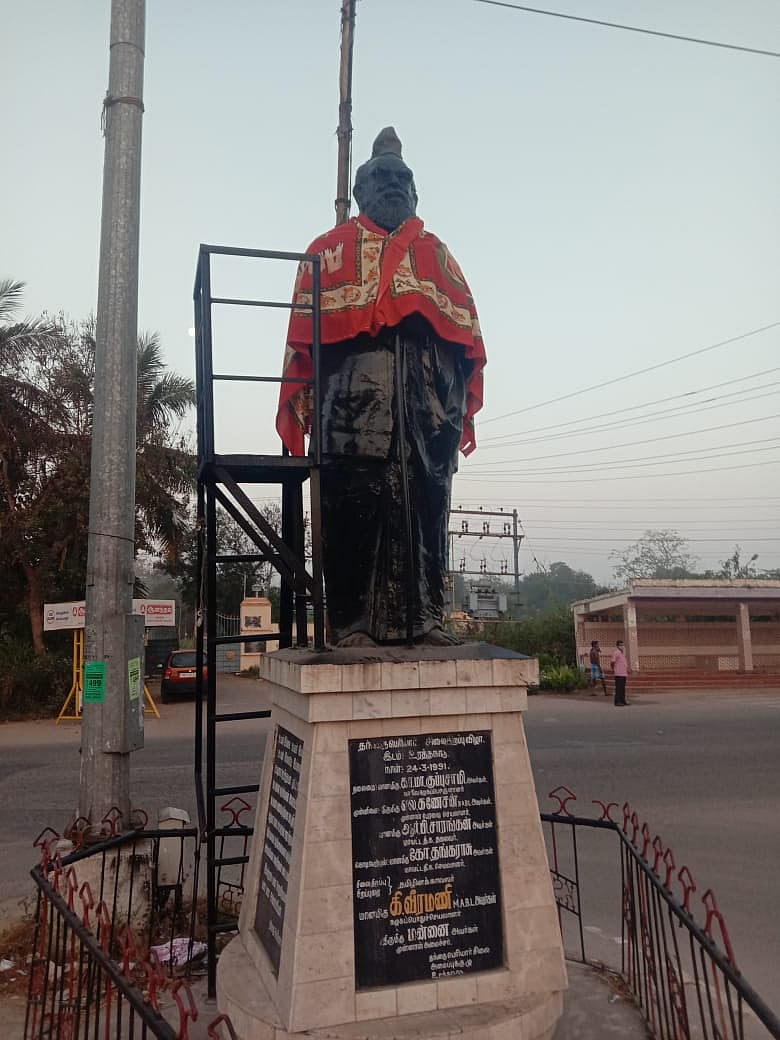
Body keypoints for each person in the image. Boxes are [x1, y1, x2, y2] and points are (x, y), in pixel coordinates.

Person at [276, 127, 486, 647]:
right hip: (351, 405)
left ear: (415, 194)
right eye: (383, 178)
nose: (394, 186)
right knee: (353, 504)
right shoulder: (327, 251)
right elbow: (306, 337)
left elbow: (465, 341)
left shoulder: (439, 256)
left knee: (427, 507)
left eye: (402, 180)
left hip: (427, 406)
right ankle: (351, 622)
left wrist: (449, 406)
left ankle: (427, 618)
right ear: (360, 192)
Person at [610, 640, 629, 706]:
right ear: (617, 646)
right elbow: (612, 662)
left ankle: (622, 700)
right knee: (618, 688)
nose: (622, 646)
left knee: (622, 688)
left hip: (623, 673)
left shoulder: (622, 653)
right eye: (620, 645)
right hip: (618, 673)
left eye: (622, 645)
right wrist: (613, 669)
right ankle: (617, 701)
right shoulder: (616, 653)